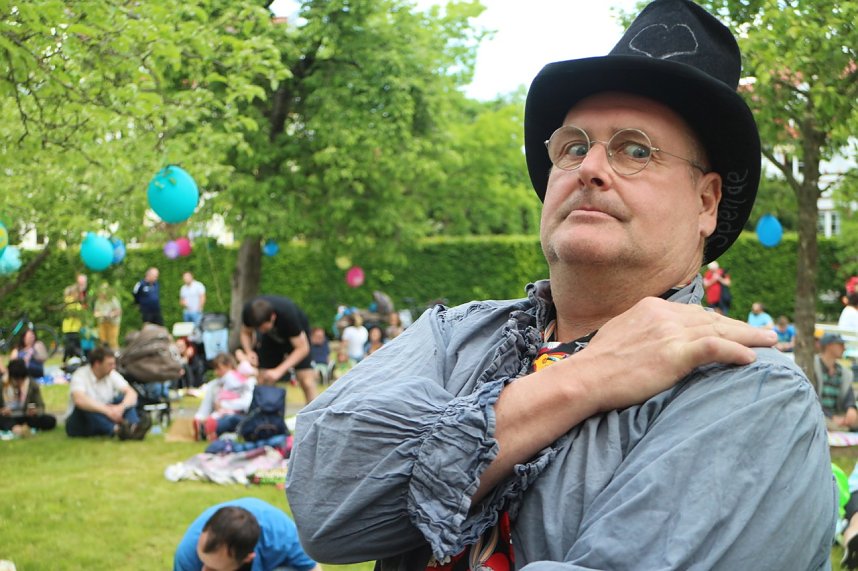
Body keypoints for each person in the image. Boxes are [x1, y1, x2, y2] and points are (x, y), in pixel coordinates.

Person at [285, 2, 835, 569]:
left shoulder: (750, 391)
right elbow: (325, 509)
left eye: (636, 150)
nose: (591, 167)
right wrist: (588, 377)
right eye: (573, 146)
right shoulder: (452, 335)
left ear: (705, 202)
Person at [173, 497, 322, 571]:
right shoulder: (188, 553)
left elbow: (312, 568)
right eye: (202, 561)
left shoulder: (281, 535)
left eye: (214, 570)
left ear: (247, 558)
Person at [240, 295, 317, 403]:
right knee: (264, 379)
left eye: (264, 328)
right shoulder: (249, 312)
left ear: (273, 317)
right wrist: (249, 351)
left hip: (296, 340)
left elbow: (303, 349)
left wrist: (278, 371)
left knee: (306, 381)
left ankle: (314, 415)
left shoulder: (288, 315)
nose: (261, 331)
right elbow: (245, 332)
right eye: (258, 328)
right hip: (270, 341)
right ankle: (266, 416)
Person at [65, 346, 151, 440]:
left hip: (106, 413)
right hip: (81, 422)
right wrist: (107, 411)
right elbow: (79, 400)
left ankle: (133, 427)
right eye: (110, 364)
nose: (113, 367)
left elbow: (131, 393)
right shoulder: (80, 375)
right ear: (97, 364)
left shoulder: (111, 374)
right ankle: (118, 430)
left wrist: (120, 408)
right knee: (87, 405)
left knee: (125, 399)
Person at [193, 352, 255, 439]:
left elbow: (246, 403)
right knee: (220, 419)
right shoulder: (215, 384)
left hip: (239, 415)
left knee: (230, 420)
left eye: (219, 369)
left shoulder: (245, 381)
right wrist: (200, 417)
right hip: (220, 415)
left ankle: (208, 430)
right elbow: (206, 406)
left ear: (229, 365)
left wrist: (224, 405)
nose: (216, 373)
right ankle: (205, 428)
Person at [813, 333, 858, 431]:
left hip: (837, 415)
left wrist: (851, 408)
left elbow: (848, 396)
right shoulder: (813, 368)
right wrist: (832, 417)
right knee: (833, 427)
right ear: (829, 346)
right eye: (841, 345)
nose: (844, 348)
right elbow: (812, 399)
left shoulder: (843, 372)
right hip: (818, 414)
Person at [0, 359, 57, 435]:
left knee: (49, 420)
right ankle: (16, 428)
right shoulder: (2, 384)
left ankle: (19, 427)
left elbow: (41, 406)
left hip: (25, 416)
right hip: (7, 417)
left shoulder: (31, 384)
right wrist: (2, 411)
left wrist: (35, 411)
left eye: (21, 380)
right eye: (16, 380)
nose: (19, 383)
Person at [61, 273, 89, 362]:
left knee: (70, 345)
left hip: (71, 328)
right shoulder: (72, 302)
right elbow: (79, 310)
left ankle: (68, 359)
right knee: (73, 345)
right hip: (72, 327)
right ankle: (80, 357)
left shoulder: (69, 301)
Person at [93, 283, 122, 351]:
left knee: (112, 341)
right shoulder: (98, 301)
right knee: (103, 341)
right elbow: (96, 312)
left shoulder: (113, 299)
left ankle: (115, 355)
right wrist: (100, 314)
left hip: (112, 323)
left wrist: (112, 314)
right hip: (102, 322)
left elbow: (118, 311)